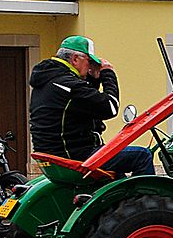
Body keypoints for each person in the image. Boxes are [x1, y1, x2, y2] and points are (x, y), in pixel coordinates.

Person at [28, 35, 155, 177]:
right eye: (89, 62)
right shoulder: (70, 85)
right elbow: (110, 107)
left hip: (53, 155)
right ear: (75, 59)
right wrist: (108, 74)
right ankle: (148, 192)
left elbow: (86, 106)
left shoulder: (48, 80)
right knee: (142, 156)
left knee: (118, 173)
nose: (90, 67)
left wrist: (93, 80)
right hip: (74, 156)